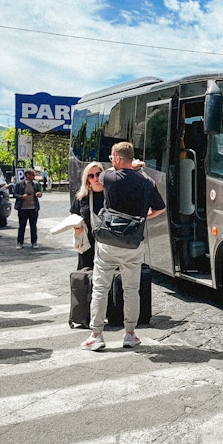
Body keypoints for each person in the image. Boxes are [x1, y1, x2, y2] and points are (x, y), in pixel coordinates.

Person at [81, 142, 166, 352]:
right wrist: (145, 216)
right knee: (131, 289)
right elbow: (161, 208)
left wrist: (129, 165)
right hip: (132, 243)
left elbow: (105, 173)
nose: (111, 161)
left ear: (118, 159)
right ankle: (129, 334)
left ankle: (97, 335)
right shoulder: (147, 182)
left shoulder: (109, 177)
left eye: (112, 157)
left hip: (108, 243)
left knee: (101, 288)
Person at [70, 162, 105, 270]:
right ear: (87, 179)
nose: (96, 178)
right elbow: (73, 214)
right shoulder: (82, 196)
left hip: (107, 243)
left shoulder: (111, 194)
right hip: (87, 242)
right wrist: (76, 226)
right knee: (86, 276)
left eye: (98, 174)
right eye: (91, 176)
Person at [13, 168, 43, 249]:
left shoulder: (36, 184)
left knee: (33, 226)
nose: (33, 176)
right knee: (22, 226)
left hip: (33, 208)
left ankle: (34, 242)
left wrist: (39, 194)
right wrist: (22, 197)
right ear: (27, 175)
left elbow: (40, 193)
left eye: (34, 175)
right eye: (32, 174)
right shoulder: (19, 184)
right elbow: (14, 194)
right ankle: (20, 243)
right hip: (22, 209)